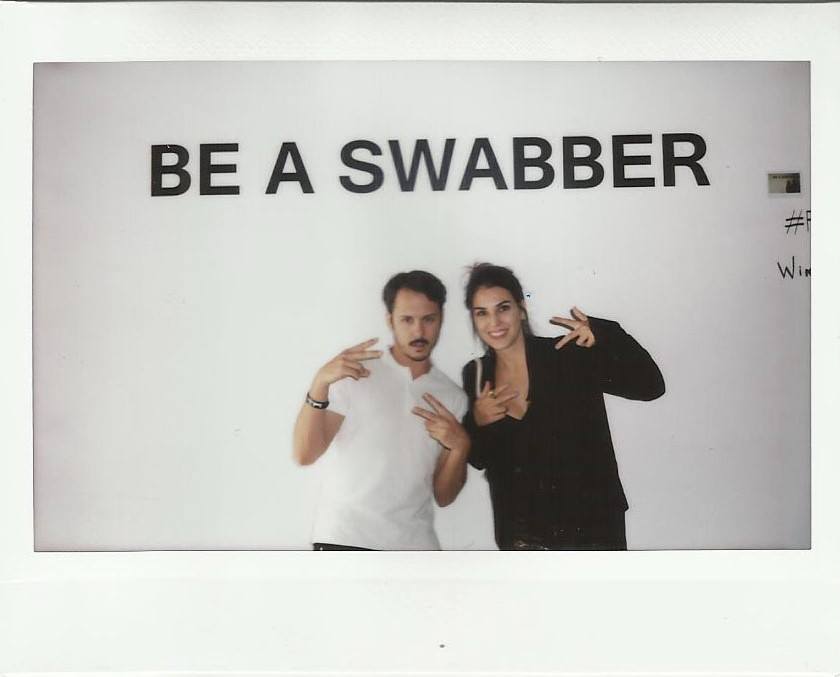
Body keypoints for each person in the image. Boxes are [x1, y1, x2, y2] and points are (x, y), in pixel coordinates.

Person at [460, 263, 665, 550]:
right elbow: (479, 458)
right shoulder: (477, 373)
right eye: (481, 312)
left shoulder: (566, 354)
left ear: (521, 309)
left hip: (592, 529)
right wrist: (477, 421)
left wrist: (605, 334)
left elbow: (651, 386)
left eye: (503, 308)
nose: (494, 321)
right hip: (521, 538)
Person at [293, 270, 470, 550]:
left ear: (441, 319)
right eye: (407, 320)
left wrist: (461, 447)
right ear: (390, 320)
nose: (419, 332)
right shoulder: (354, 373)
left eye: (428, 319)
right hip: (347, 538)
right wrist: (319, 383)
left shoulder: (453, 397)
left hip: (415, 547)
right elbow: (305, 454)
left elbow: (444, 496)